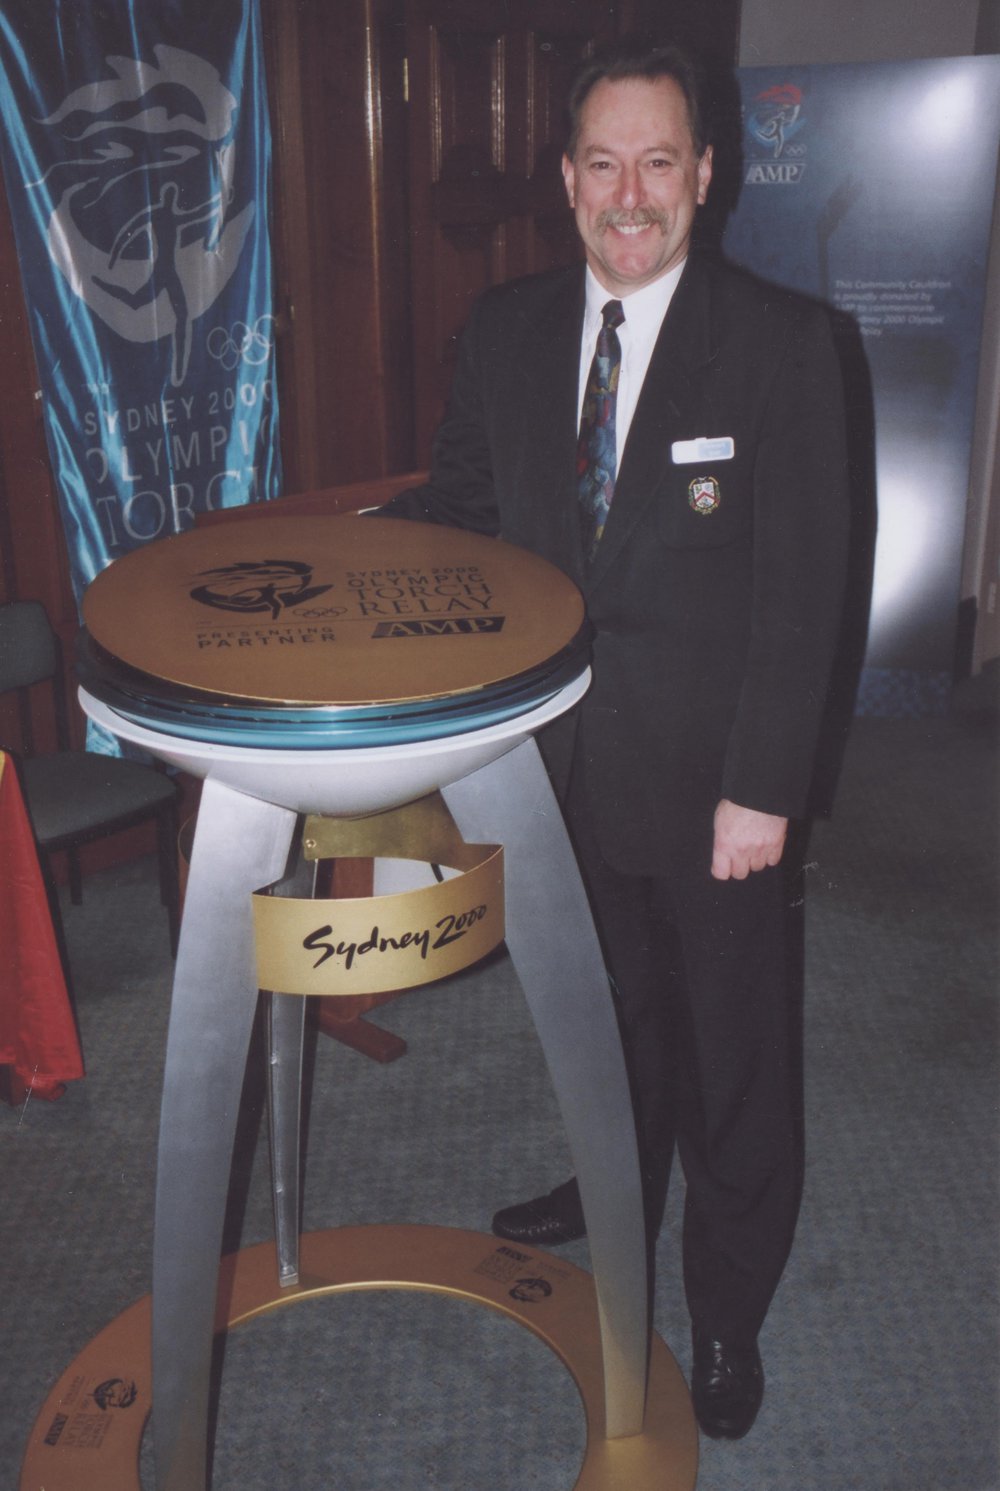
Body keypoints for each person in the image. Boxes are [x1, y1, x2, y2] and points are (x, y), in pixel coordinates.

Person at [379, 38, 849, 1441]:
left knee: (734, 1056)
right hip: (551, 769)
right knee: (606, 1013)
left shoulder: (784, 347)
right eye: (603, 163)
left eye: (657, 162)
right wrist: (345, 556)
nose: (629, 194)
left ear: (705, 175)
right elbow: (465, 509)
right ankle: (613, 1176)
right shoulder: (508, 329)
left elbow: (804, 595)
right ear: (568, 177)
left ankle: (727, 1304)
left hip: (715, 791)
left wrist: (763, 789)